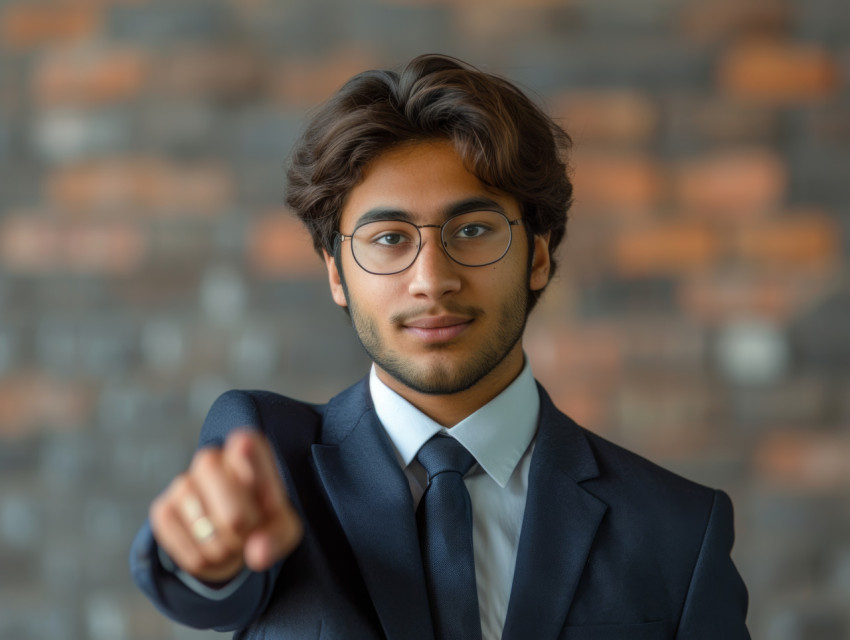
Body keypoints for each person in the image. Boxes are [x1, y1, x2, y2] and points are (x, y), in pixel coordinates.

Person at [130, 54, 750, 640]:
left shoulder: (677, 531)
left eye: (474, 230)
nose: (432, 279)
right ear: (335, 273)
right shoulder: (271, 459)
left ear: (536, 256)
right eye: (390, 238)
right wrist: (205, 558)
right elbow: (212, 581)